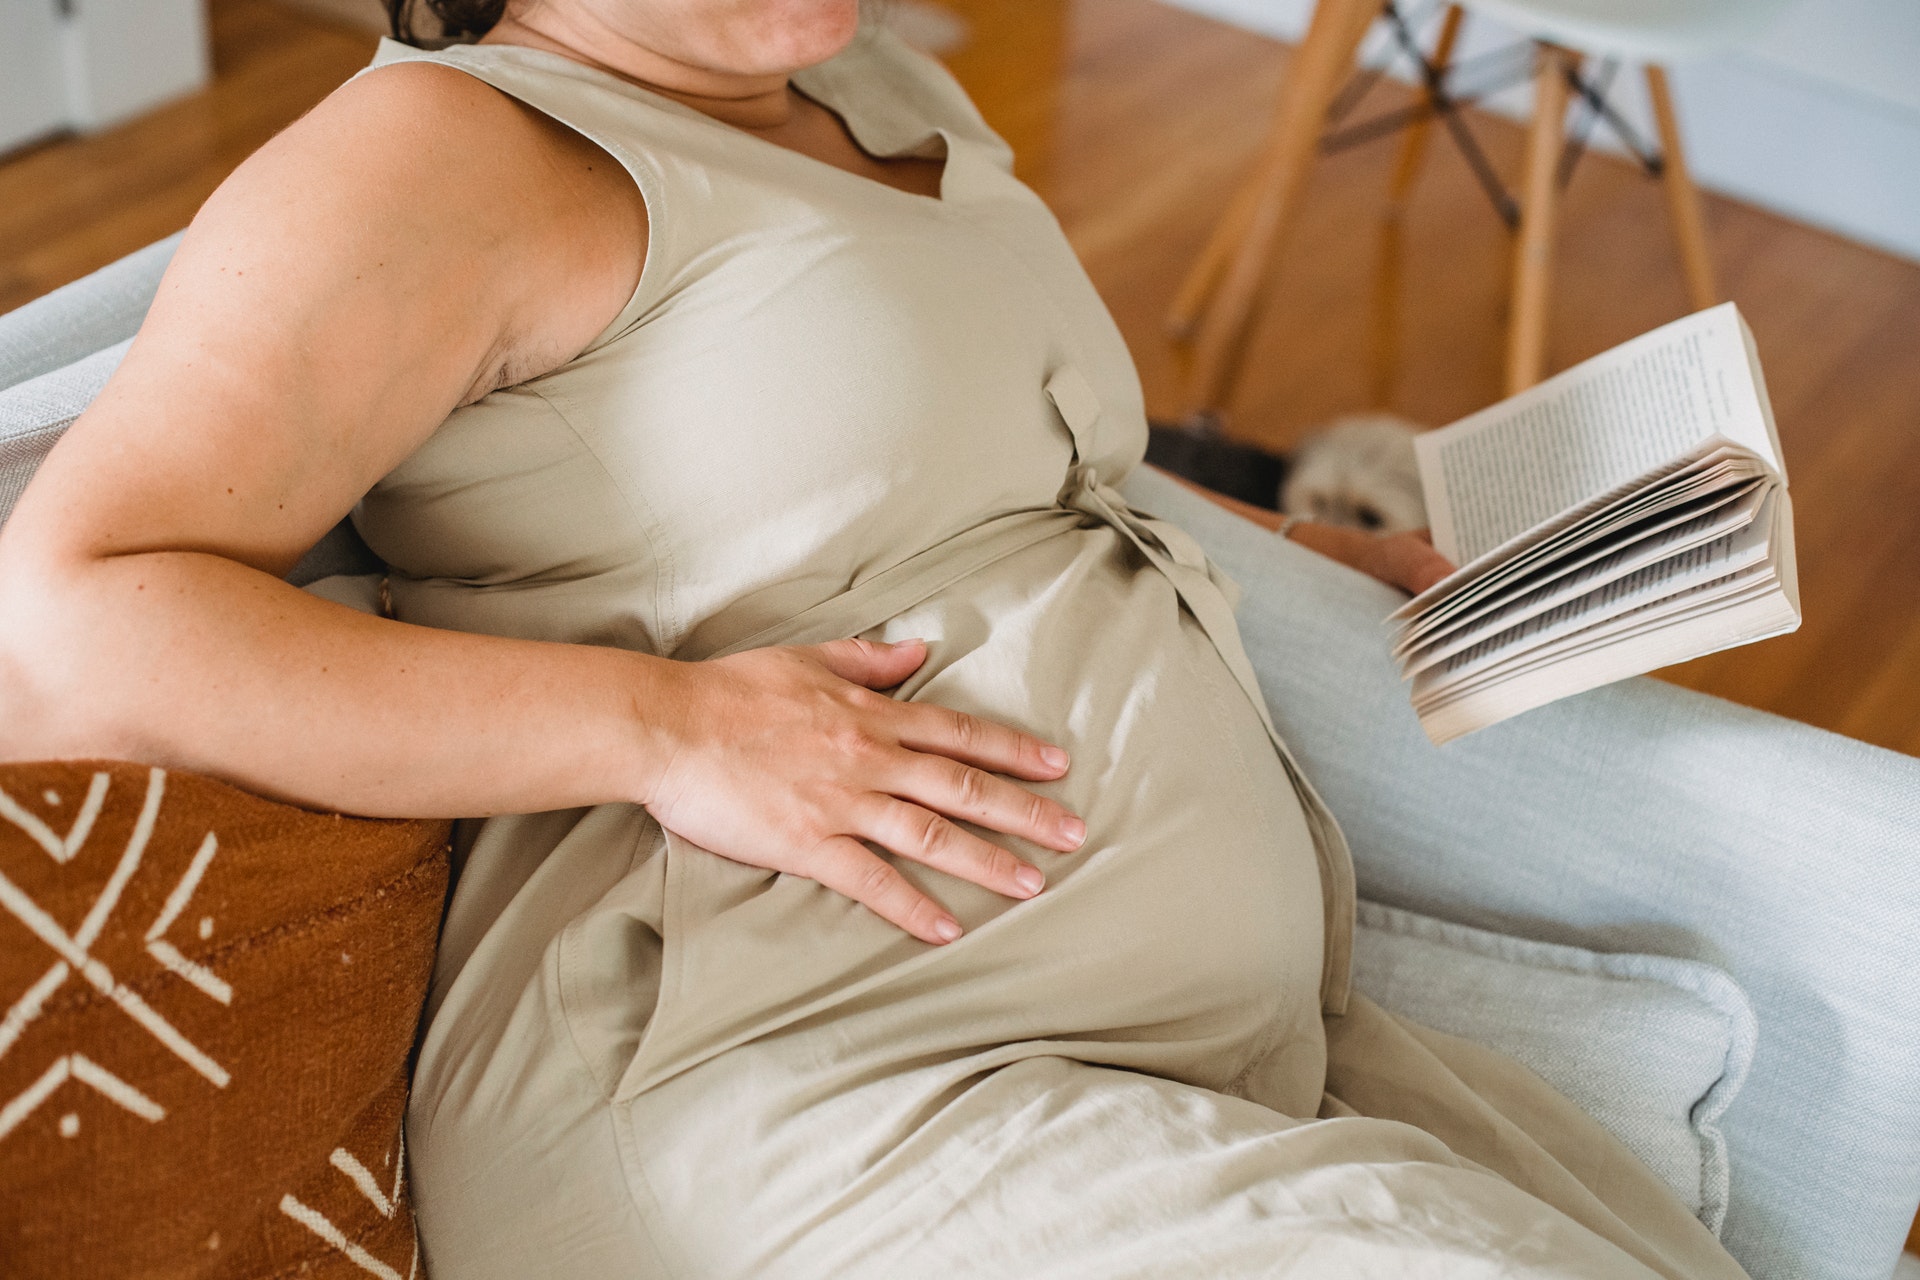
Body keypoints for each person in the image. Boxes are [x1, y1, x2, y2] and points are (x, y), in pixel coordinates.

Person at [0, 1, 1748, 1276]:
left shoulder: (852, 68)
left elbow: (1004, 468)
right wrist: (661, 728)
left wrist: (1301, 541)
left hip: (1189, 1038)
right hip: (788, 1066)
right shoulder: (444, 159)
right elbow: (79, 614)